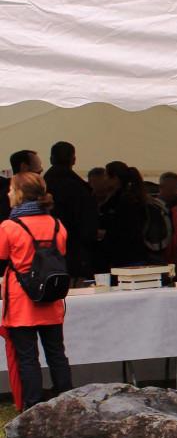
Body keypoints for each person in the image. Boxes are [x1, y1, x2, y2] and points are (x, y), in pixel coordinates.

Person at [0, 172, 72, 411]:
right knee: (56, 353)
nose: (8, 193)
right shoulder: (56, 224)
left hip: (22, 301)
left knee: (27, 357)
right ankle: (68, 401)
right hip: (50, 299)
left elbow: (2, 255)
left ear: (20, 193)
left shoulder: (10, 226)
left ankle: (33, 405)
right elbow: (60, 250)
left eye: (11, 189)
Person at [43, 141, 97, 282]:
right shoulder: (81, 189)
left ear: (51, 160)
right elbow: (88, 227)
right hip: (76, 255)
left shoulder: (42, 186)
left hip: (46, 255)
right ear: (73, 160)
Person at [96, 161, 148, 269]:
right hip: (132, 253)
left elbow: (122, 228)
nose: (103, 179)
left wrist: (105, 234)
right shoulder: (132, 198)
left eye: (105, 175)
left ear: (114, 178)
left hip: (123, 255)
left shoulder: (123, 200)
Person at [158, 172, 177, 267]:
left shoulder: (174, 209)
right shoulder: (155, 209)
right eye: (172, 189)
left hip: (175, 264)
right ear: (161, 188)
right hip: (161, 263)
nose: (176, 192)